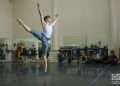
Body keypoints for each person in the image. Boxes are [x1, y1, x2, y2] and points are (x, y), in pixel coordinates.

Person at [16, 3, 58, 72]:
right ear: (47, 19)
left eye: (51, 19)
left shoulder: (51, 25)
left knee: (44, 54)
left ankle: (45, 68)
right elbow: (41, 15)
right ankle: (21, 23)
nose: (51, 19)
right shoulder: (44, 23)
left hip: (46, 40)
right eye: (49, 18)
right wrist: (39, 7)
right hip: (42, 35)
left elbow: (55, 21)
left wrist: (57, 17)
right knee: (29, 30)